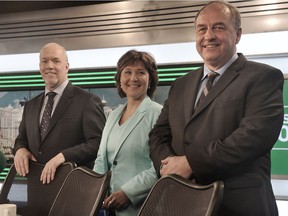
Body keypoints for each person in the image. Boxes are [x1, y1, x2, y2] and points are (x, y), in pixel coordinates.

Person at [149, 1, 283, 216]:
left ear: (238, 34)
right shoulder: (181, 84)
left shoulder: (263, 77)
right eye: (202, 29)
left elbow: (253, 138)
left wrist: (191, 163)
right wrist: (170, 167)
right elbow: (158, 134)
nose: (208, 35)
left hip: (236, 205)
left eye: (218, 27)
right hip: (181, 202)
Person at [13, 42, 106, 184]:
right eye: (45, 61)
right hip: (36, 190)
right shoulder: (30, 106)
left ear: (66, 67)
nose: (49, 66)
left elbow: (97, 142)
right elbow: (21, 139)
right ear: (40, 68)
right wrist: (20, 150)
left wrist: (63, 156)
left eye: (56, 61)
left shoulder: (87, 101)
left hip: (71, 189)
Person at [93, 49, 162, 216]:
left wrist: (128, 192)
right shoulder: (113, 115)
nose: (133, 78)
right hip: (108, 208)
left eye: (141, 72)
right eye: (127, 72)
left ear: (150, 79)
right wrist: (95, 191)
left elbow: (161, 166)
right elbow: (102, 159)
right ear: (120, 78)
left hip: (142, 207)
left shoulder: (158, 113)